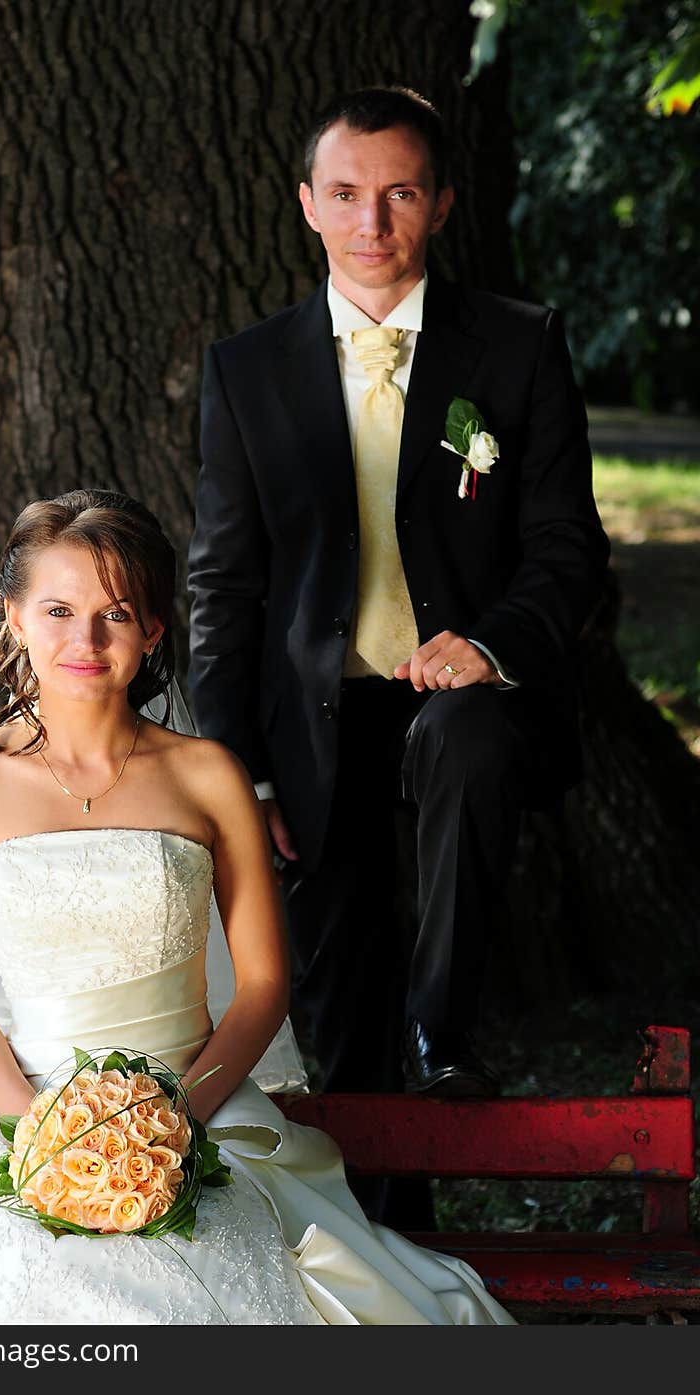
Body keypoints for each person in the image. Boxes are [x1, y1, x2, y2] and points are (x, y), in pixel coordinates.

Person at [0, 488, 512, 1326]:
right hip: (12, 1103)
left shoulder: (208, 775)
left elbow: (260, 985)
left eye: (116, 613)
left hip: (196, 1103)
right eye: (59, 609)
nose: (86, 639)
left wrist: (174, 1116)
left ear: (153, 630)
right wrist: (42, 1133)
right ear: (12, 615)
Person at [187, 88, 610, 1153]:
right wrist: (242, 774)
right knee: (341, 1021)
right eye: (346, 195)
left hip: (465, 701)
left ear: (441, 204)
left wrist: (492, 642)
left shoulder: (516, 348)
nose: (372, 224)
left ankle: (445, 1029)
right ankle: (395, 1259)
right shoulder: (247, 370)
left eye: (400, 194)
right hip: (314, 726)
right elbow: (224, 586)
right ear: (307, 205)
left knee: (463, 739)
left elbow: (568, 549)